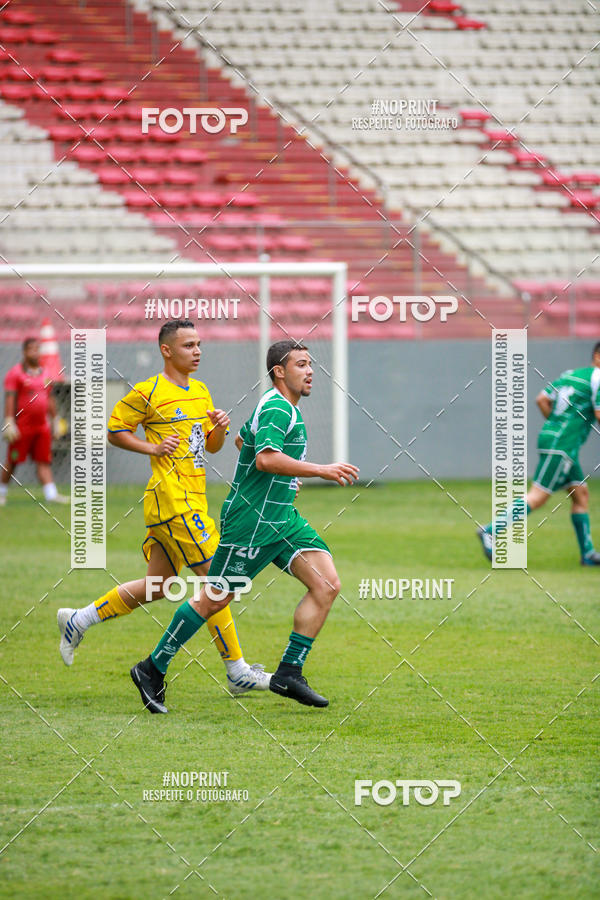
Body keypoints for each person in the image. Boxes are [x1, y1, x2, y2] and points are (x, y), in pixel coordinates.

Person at [130, 338, 360, 714]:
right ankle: (151, 668)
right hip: (251, 521)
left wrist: (287, 480)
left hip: (282, 519)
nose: (310, 371)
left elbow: (242, 440)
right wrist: (320, 470)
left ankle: (289, 672)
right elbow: (267, 459)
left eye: (310, 364)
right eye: (301, 365)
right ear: (279, 372)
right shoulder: (278, 408)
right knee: (214, 599)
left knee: (327, 583)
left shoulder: (281, 408)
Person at [57, 319, 271, 696]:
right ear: (167, 351)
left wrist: (219, 426)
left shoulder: (201, 391)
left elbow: (213, 447)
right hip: (173, 502)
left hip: (189, 501)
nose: (198, 351)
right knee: (219, 582)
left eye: (199, 344)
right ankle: (236, 669)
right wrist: (151, 447)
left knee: (158, 586)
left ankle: (79, 618)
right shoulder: (148, 391)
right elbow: (114, 431)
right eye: (189, 345)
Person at [478, 342, 600, 565]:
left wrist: (556, 422)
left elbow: (541, 399)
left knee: (580, 494)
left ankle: (588, 554)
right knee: (538, 496)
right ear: (597, 356)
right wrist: (565, 428)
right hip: (562, 444)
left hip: (554, 439)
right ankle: (490, 530)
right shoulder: (598, 378)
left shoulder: (570, 375)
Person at [1, 337, 67, 506]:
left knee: (43, 460)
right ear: (24, 352)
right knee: (13, 460)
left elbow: (50, 398)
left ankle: (51, 494)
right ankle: (1, 491)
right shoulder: (15, 373)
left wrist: (55, 418)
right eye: (31, 349)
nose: (35, 353)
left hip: (42, 427)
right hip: (22, 427)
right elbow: (10, 398)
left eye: (38, 349)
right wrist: (9, 420)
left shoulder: (45, 373)